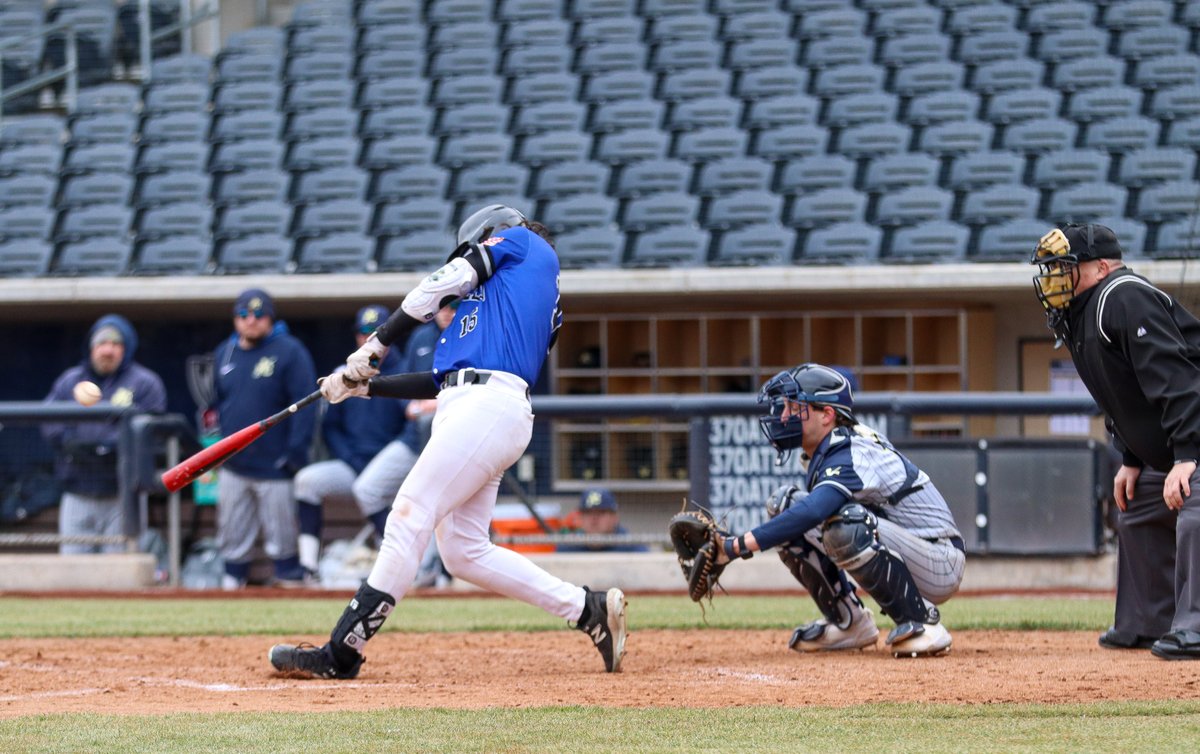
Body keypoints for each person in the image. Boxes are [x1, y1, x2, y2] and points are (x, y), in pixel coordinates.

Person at [268, 204, 627, 678]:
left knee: (409, 513)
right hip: (475, 409)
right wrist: (363, 386)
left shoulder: (524, 242)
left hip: (486, 408)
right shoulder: (500, 304)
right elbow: (444, 380)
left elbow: (446, 280)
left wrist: (376, 344)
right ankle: (587, 608)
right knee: (463, 551)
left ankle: (342, 652)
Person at [707, 363, 965, 658]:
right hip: (909, 547)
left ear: (827, 415)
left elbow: (815, 510)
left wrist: (734, 546)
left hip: (940, 558)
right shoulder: (826, 448)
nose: (783, 416)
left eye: (795, 407)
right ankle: (849, 622)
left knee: (847, 524)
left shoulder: (851, 450)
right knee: (784, 507)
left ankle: (920, 623)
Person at [1031, 223, 1200, 660]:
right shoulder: (1081, 312)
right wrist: (1132, 458)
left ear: (1101, 266)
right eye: (1050, 270)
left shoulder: (1122, 295)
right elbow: (1123, 396)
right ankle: (1147, 621)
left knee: (1195, 498)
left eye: (1064, 268)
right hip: (1180, 441)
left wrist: (1187, 455)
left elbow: (1179, 382)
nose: (1054, 279)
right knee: (1139, 501)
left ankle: (1195, 627)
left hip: (1195, 437)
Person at [293, 305, 407, 581]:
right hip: (354, 464)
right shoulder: (343, 373)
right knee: (306, 481)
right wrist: (351, 458)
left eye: (375, 333)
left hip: (395, 468)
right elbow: (331, 428)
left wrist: (381, 463)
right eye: (363, 333)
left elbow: (411, 427)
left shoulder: (406, 370)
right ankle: (309, 568)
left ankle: (399, 566)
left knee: (370, 486)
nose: (368, 339)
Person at [213, 288, 317, 589]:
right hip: (234, 465)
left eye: (260, 315)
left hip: (276, 465)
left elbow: (306, 404)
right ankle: (230, 592)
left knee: (282, 541)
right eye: (244, 315)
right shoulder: (225, 352)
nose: (251, 321)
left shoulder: (289, 351)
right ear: (235, 319)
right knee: (232, 538)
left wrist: (295, 454)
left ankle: (289, 593)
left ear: (270, 318)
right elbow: (216, 403)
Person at [43, 315, 166, 553]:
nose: (107, 350)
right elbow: (49, 418)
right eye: (101, 343)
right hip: (78, 491)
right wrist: (69, 442)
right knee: (74, 571)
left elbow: (155, 427)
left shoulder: (144, 382)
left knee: (120, 571)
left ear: (126, 349)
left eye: (115, 344)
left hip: (123, 495)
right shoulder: (71, 380)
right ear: (91, 347)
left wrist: (112, 446)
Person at [557, 487, 650, 553]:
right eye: (588, 513)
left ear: (615, 517)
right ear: (580, 517)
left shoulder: (631, 547)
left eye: (601, 513)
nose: (594, 519)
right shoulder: (569, 547)